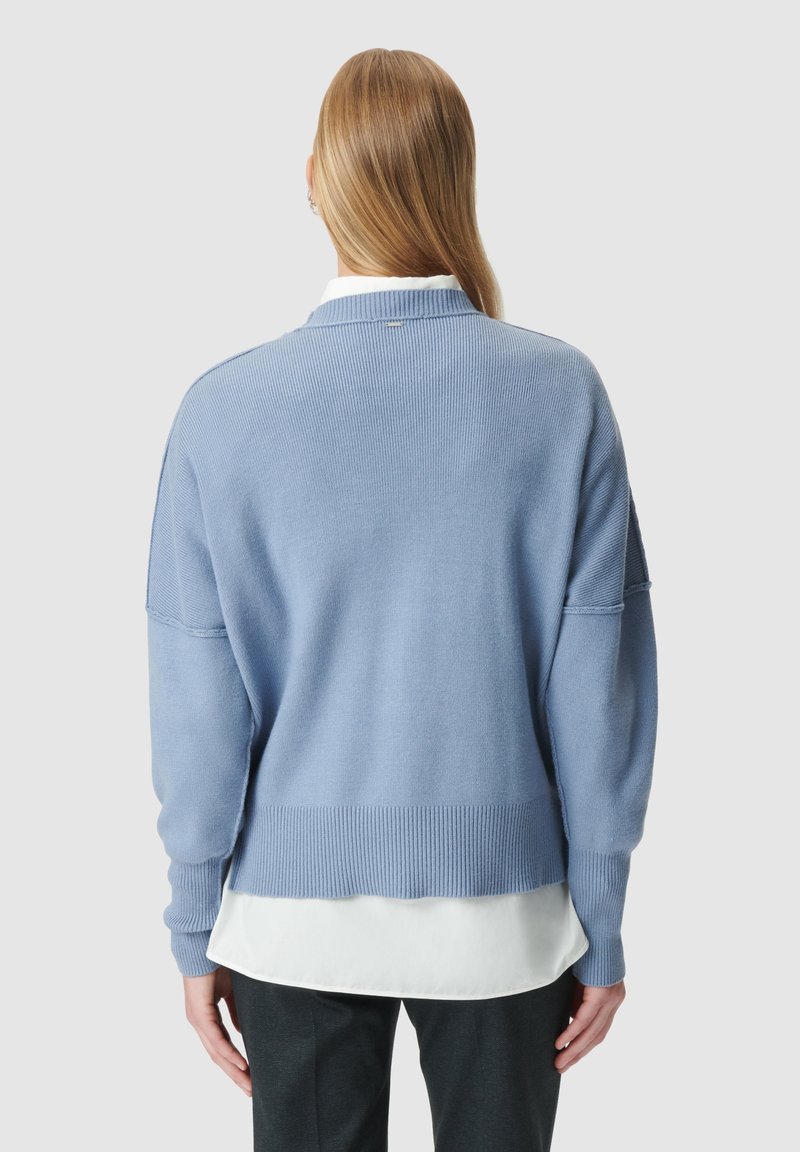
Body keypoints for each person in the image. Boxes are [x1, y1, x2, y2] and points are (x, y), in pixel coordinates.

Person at [145, 47, 658, 1152]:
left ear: (314, 181)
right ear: (457, 178)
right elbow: (599, 698)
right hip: (508, 918)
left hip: (290, 923)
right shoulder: (559, 394)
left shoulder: (223, 410)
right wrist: (603, 923)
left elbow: (197, 710)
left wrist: (195, 921)